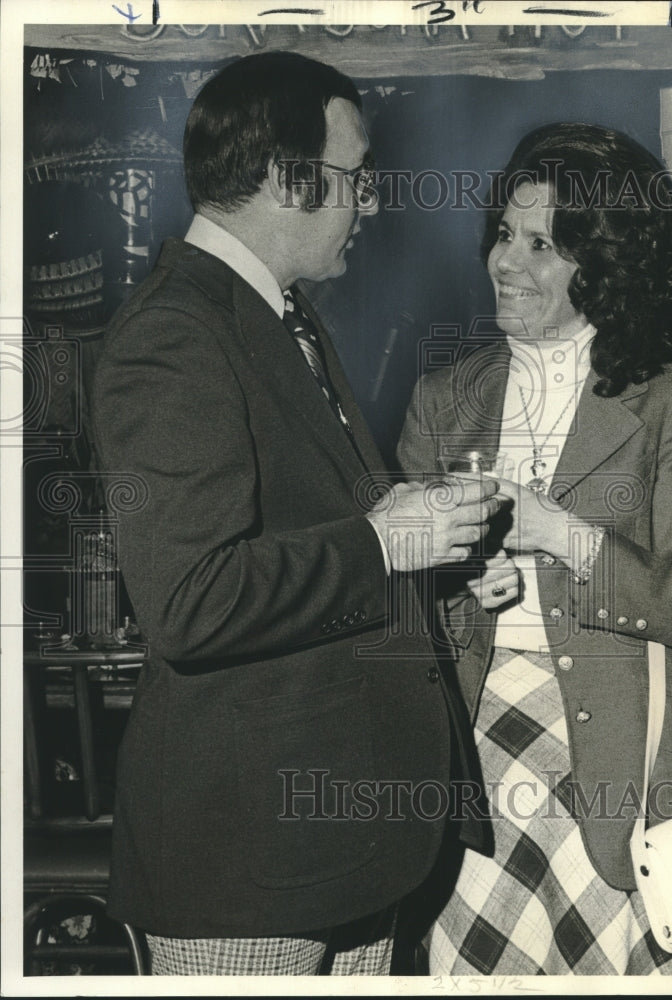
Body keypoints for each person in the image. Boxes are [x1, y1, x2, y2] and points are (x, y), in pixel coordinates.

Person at [91, 51, 502, 976]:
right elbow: (190, 601)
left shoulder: (280, 315)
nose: (370, 202)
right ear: (288, 178)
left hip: (337, 858)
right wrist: (384, 539)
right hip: (247, 868)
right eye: (357, 179)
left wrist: (424, 536)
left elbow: (308, 527)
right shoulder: (174, 334)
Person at [396, 122, 672, 975]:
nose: (506, 263)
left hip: (622, 783)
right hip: (473, 785)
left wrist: (564, 536)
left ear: (605, 264)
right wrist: (455, 583)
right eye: (504, 236)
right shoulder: (445, 397)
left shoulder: (668, 400)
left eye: (543, 244)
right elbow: (392, 604)